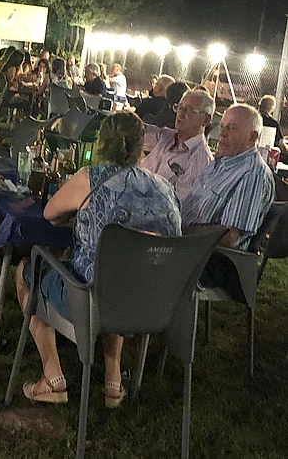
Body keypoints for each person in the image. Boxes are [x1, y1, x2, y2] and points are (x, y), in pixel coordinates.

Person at [16, 112, 181, 405]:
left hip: (92, 301)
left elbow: (50, 215)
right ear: (142, 146)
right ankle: (113, 382)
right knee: (121, 269)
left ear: (101, 141)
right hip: (151, 302)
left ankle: (53, 377)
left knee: (26, 271)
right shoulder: (165, 188)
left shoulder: (89, 178)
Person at [182, 104, 274, 250]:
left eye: (232, 128)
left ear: (253, 137)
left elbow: (229, 236)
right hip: (183, 240)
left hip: (203, 256)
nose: (222, 133)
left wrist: (180, 235)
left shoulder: (252, 174)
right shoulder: (221, 161)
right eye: (222, 126)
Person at [143, 90, 214, 200]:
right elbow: (135, 130)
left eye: (189, 110)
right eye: (180, 107)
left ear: (206, 120)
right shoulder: (166, 136)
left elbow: (183, 206)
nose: (181, 114)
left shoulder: (200, 160)